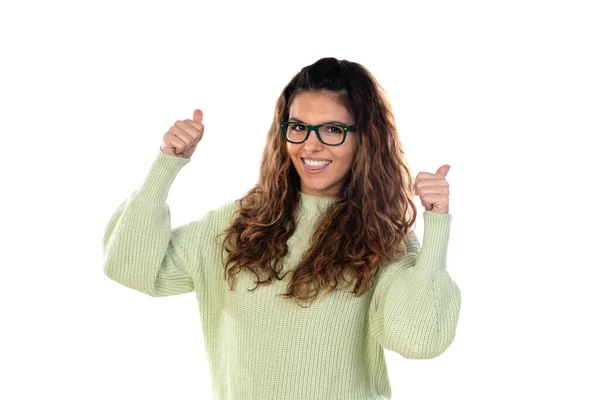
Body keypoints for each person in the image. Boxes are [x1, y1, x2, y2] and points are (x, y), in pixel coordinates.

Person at [102, 57, 461, 400]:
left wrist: (436, 223)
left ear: (363, 138)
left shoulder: (385, 240)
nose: (311, 144)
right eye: (299, 127)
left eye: (333, 129)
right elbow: (128, 266)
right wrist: (167, 164)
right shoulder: (236, 225)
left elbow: (419, 340)